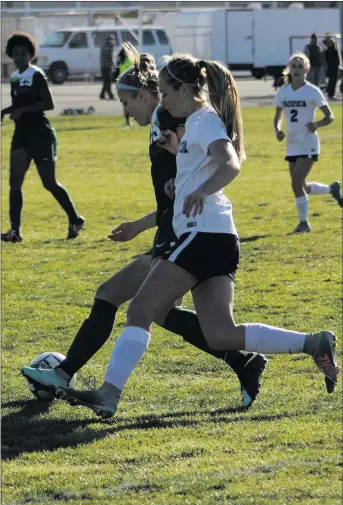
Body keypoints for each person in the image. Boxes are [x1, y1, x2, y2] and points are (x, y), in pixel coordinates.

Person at [35, 52, 337, 418]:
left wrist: (199, 190)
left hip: (203, 234)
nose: (162, 100)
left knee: (142, 309)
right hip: (220, 238)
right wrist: (182, 171)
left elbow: (230, 162)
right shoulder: (193, 123)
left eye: (165, 92)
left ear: (184, 89)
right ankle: (312, 343)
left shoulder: (204, 119)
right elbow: (204, 162)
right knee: (221, 334)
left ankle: (109, 393)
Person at [1, 32, 84, 242]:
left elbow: (48, 104)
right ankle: (15, 231)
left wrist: (23, 111)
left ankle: (75, 218)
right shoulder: (15, 77)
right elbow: (19, 105)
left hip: (41, 135)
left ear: (31, 54)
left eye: (23, 53)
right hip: (21, 135)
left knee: (49, 183)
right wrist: (6, 111)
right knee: (14, 183)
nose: (19, 57)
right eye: (16, 53)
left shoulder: (36, 74)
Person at [273, 52, 342, 233]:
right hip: (292, 143)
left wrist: (316, 124)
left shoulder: (312, 91)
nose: (296, 70)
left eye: (300, 66)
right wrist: (278, 129)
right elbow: (277, 117)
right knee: (301, 185)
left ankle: (304, 224)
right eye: (293, 66)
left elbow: (330, 117)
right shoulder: (284, 92)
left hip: (308, 142)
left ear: (307, 70)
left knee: (296, 184)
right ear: (289, 69)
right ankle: (331, 189)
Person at [113, 45, 135, 125]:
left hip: (120, 85)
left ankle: (127, 121)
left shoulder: (119, 61)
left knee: (125, 104)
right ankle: (129, 121)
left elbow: (116, 74)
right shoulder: (129, 61)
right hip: (128, 85)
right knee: (129, 103)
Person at [100, 35, 115, 100]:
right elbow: (110, 56)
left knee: (106, 81)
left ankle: (102, 94)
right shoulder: (109, 47)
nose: (113, 41)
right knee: (108, 82)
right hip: (107, 66)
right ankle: (110, 95)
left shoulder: (104, 46)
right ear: (109, 40)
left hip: (103, 66)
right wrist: (114, 65)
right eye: (112, 40)